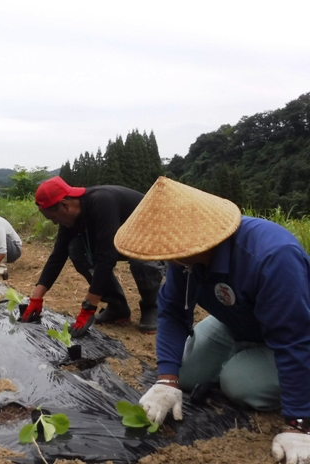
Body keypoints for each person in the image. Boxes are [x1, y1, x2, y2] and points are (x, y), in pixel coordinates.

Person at [113, 176, 310, 464]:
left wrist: (300, 423)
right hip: (234, 321)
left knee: (238, 385)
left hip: (293, 333)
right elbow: (171, 312)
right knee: (188, 373)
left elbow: (294, 337)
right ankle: (245, 355)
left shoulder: (272, 256)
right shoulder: (184, 259)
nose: (168, 258)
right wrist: (167, 379)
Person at [21, 176, 164, 335]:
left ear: (64, 205)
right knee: (76, 249)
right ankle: (117, 307)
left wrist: (89, 306)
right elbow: (58, 255)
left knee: (140, 258)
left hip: (154, 237)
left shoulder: (101, 201)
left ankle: (152, 306)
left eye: (53, 218)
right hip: (121, 239)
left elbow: (107, 256)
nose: (55, 223)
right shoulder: (70, 216)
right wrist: (36, 298)